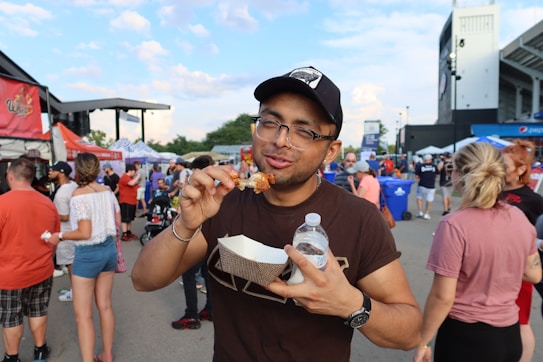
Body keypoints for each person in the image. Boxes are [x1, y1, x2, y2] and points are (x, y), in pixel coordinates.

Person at [132, 65, 422, 360]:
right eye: (270, 122)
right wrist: (185, 224)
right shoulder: (222, 203)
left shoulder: (359, 218)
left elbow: (410, 331)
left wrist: (351, 304)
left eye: (304, 131)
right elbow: (144, 280)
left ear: (331, 151)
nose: (280, 140)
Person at [414, 142, 542, 362]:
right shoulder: (520, 218)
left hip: (466, 337)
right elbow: (534, 274)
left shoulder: (454, 225)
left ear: (460, 175)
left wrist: (423, 341)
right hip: (509, 336)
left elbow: (443, 296)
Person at [46, 153, 120, 362]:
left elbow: (84, 232)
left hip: (88, 254)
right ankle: (107, 355)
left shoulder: (79, 194)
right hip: (108, 250)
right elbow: (117, 219)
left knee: (83, 315)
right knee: (105, 305)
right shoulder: (106, 191)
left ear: (78, 169)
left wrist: (59, 236)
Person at [0, 157, 59, 362]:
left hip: (9, 273)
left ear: (10, 176)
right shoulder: (48, 204)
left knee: (10, 316)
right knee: (38, 309)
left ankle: (12, 357)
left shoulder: (2, 203)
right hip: (41, 269)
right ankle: (40, 350)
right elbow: (54, 239)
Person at [501, 139, 543, 362]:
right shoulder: (494, 190)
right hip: (494, 266)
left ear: (521, 169)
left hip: (520, 270)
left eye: (504, 166)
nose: (499, 169)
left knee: (521, 321)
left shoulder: (534, 200)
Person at [172, 155, 214, 330]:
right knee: (207, 274)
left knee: (189, 275)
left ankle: (191, 315)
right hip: (211, 239)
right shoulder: (216, 187)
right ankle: (210, 310)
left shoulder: (194, 189)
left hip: (195, 239)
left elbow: (184, 217)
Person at [48, 161, 79, 303]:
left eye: (52, 170)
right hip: (75, 230)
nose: (49, 172)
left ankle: (75, 292)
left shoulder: (61, 194)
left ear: (61, 172)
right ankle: (76, 289)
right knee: (74, 262)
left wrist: (48, 214)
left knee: (70, 263)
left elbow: (64, 216)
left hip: (66, 233)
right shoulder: (73, 185)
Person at [118, 164, 140, 241]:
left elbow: (136, 185)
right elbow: (131, 183)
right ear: (130, 171)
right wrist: (138, 176)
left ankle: (128, 232)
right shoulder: (124, 177)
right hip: (125, 201)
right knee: (125, 218)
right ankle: (124, 234)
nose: (135, 173)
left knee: (129, 218)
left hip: (131, 201)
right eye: (134, 172)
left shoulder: (130, 178)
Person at [415, 154, 437, 220]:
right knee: (429, 200)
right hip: (431, 185)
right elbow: (437, 174)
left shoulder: (420, 166)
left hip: (422, 184)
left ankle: (420, 211)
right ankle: (427, 213)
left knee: (419, 198)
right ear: (430, 159)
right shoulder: (434, 166)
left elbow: (416, 176)